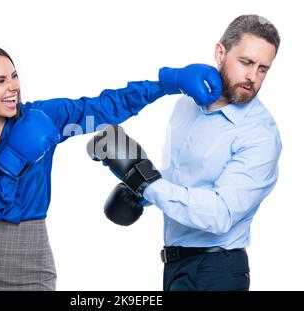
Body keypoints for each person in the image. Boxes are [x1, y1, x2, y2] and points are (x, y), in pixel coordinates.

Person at [0, 44, 222, 290]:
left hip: (30, 259)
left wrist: (167, 83)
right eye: (0, 81)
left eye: (14, 76)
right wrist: (13, 162)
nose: (14, 86)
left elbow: (101, 108)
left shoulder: (43, 117)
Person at [88, 14, 281, 291]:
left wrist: (146, 183)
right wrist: (140, 193)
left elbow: (220, 213)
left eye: (263, 69)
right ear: (220, 53)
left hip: (218, 270)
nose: (253, 77)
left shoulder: (260, 134)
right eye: (246, 62)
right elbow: (184, 180)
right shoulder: (186, 106)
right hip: (174, 266)